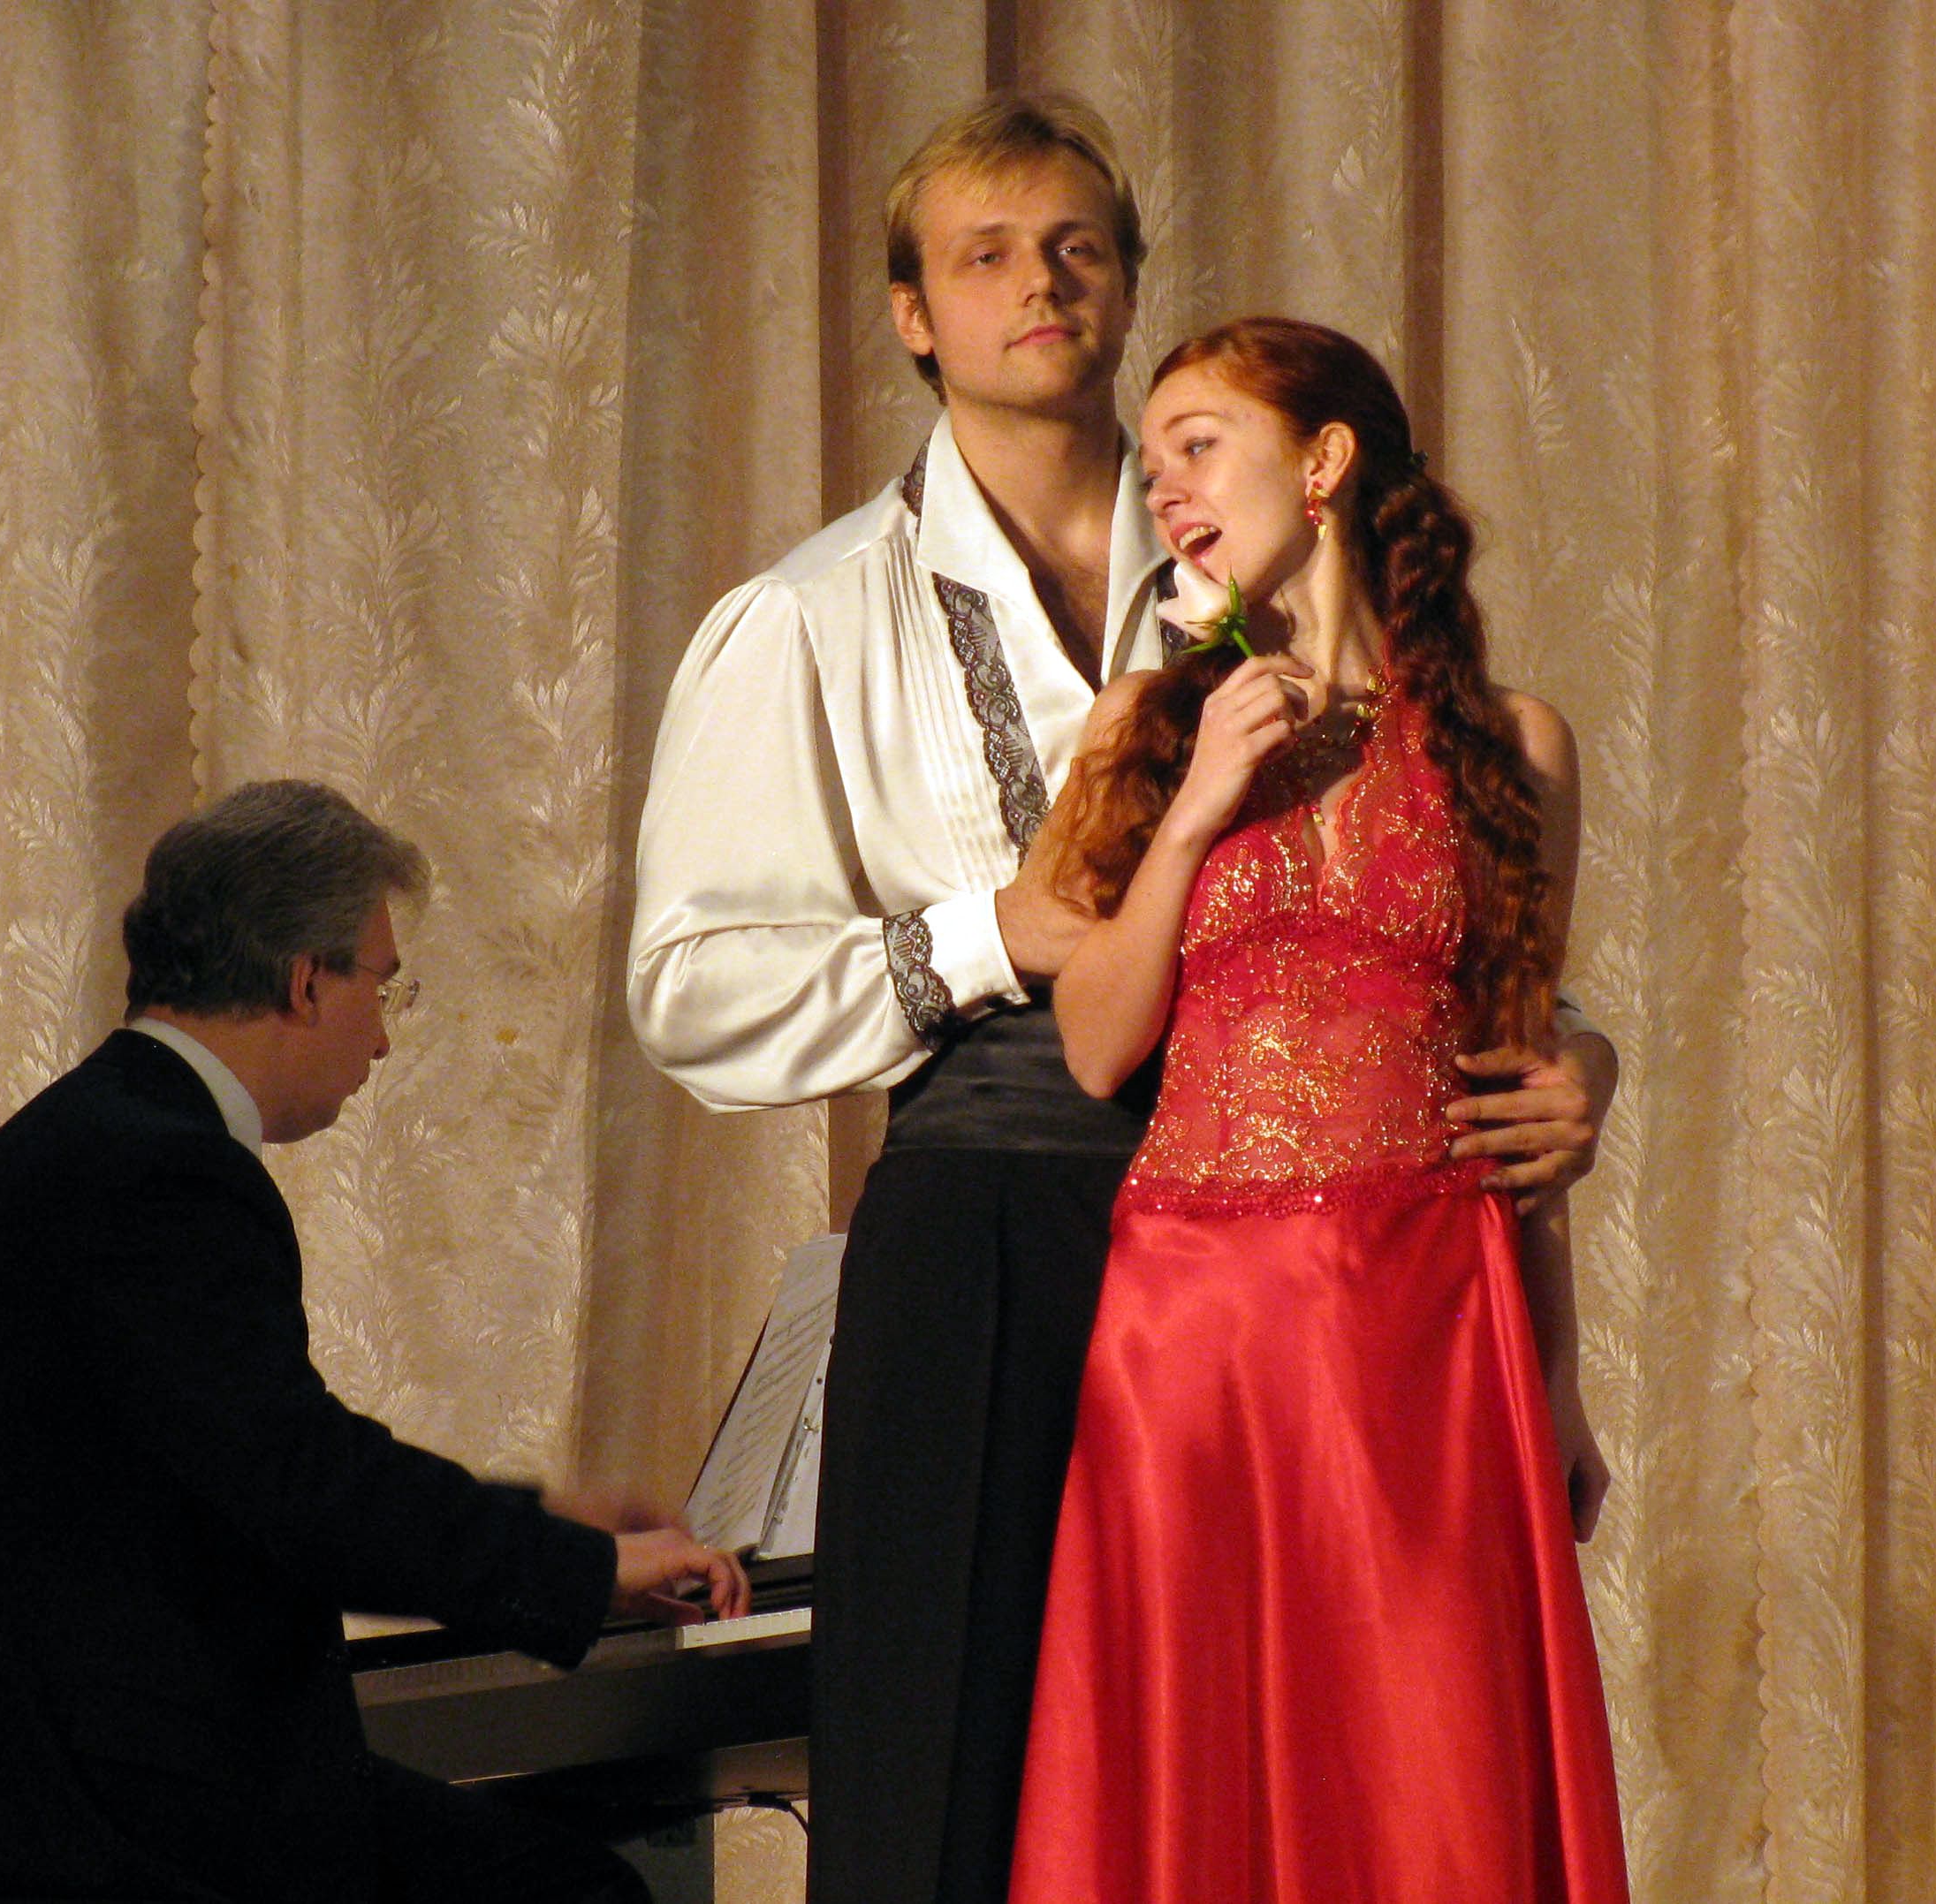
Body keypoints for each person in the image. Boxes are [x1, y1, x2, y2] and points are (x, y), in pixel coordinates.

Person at [626, 93, 1617, 1904]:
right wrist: (987, 934)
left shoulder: (1239, 550)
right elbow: (690, 991)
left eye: (1077, 247)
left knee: (1328, 1770)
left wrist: (1579, 1063)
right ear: (911, 313)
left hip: (1295, 1251)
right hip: (1000, 1205)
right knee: (961, 1787)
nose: (1041, 284)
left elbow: (1427, 913)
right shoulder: (813, 613)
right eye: (986, 254)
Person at [0, 779, 747, 1904]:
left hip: (33, 1782)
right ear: (306, 979)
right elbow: (297, 1484)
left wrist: (549, 1521)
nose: (384, 1037)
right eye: (383, 984)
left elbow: (220, 1475)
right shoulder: (159, 1171)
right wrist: (584, 1569)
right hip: (54, 1820)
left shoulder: (89, 1138)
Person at [1006, 317, 1629, 1901]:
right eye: (1151, 464)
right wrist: (1196, 806)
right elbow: (1094, 1046)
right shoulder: (1142, 727)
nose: (1165, 489)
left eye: (1198, 446)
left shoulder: (1513, 746)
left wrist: (1557, 1377)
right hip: (1191, 1337)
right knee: (1203, 1771)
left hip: (1429, 1321)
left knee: (1431, 1768)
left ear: (1325, 461)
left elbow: (1519, 1085)